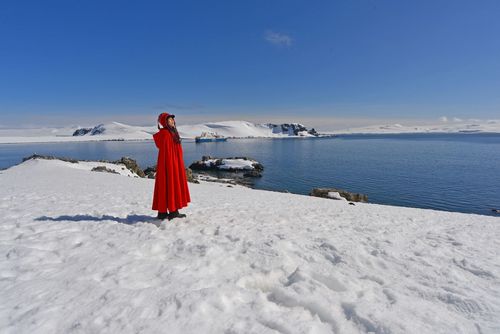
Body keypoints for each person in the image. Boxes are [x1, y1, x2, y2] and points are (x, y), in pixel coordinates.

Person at [152, 112, 191, 220]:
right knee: (171, 183)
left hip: (171, 163)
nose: (172, 121)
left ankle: (163, 213)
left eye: (172, 120)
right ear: (164, 123)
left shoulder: (172, 132)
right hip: (170, 164)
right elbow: (168, 153)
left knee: (166, 185)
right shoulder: (166, 134)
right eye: (169, 120)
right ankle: (173, 212)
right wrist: (174, 164)